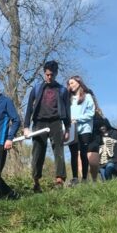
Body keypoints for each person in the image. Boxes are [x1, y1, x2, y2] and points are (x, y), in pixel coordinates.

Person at [23, 60, 72, 192]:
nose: (49, 77)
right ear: (44, 73)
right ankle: (36, 181)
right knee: (38, 152)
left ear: (56, 74)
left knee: (59, 151)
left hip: (56, 122)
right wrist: (26, 126)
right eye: (47, 74)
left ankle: (60, 180)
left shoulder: (62, 90)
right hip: (39, 122)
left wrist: (67, 129)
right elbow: (29, 109)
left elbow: (67, 111)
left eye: (52, 75)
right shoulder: (37, 88)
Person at [67, 75, 100, 183]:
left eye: (72, 83)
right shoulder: (68, 98)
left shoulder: (88, 97)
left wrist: (77, 119)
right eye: (69, 84)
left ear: (78, 83)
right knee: (73, 153)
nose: (70, 85)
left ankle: (84, 178)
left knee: (83, 153)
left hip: (84, 128)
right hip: (71, 128)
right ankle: (75, 177)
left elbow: (91, 113)